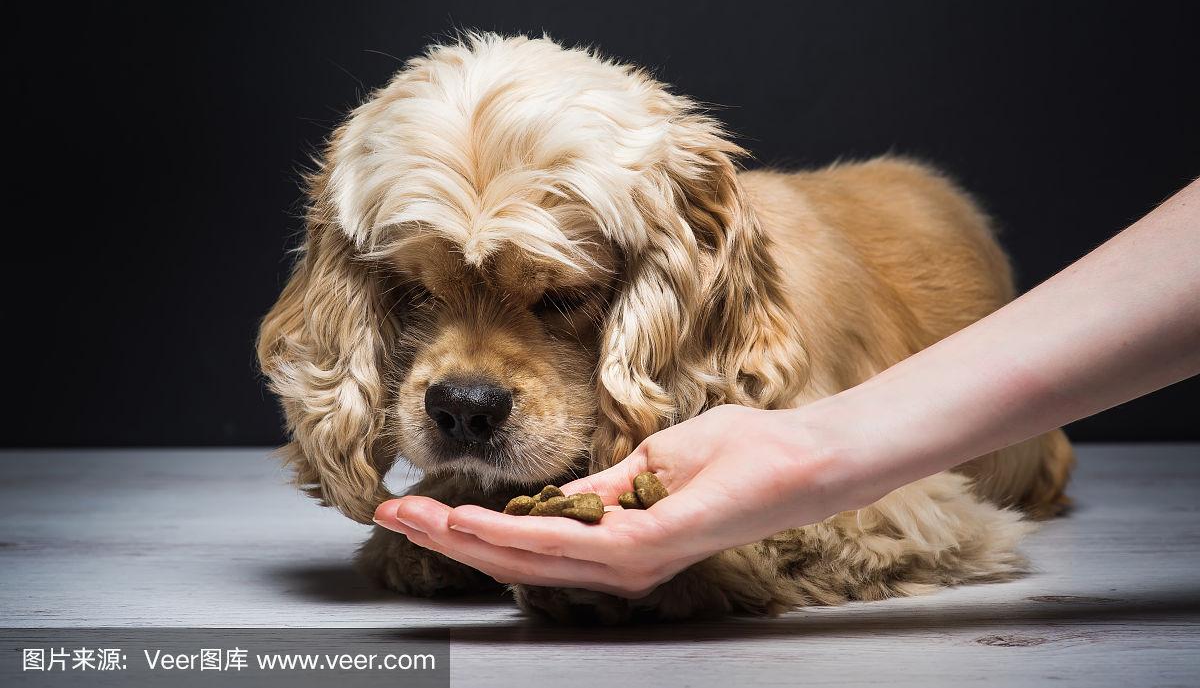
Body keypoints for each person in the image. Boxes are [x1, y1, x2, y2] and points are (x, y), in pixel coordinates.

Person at [374, 178, 1200, 599]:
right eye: (421, 293)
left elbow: (939, 519)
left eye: (557, 298)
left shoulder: (739, 292)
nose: (464, 387)